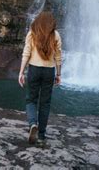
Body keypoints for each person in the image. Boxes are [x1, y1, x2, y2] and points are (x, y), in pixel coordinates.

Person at [18, 11, 62, 144]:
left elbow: (26, 52)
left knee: (31, 100)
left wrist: (21, 72)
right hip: (49, 71)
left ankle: (32, 124)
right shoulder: (55, 35)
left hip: (34, 69)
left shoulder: (32, 32)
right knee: (45, 103)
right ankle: (42, 135)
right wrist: (59, 74)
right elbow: (58, 57)